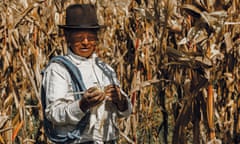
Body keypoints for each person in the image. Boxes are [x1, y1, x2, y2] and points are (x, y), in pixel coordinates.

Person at [41, 4, 132, 144]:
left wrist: (120, 100)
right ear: (67, 37)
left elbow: (124, 112)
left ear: (96, 38)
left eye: (90, 37)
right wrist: (82, 105)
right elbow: (53, 113)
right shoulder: (58, 69)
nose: (85, 42)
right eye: (79, 37)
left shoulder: (105, 69)